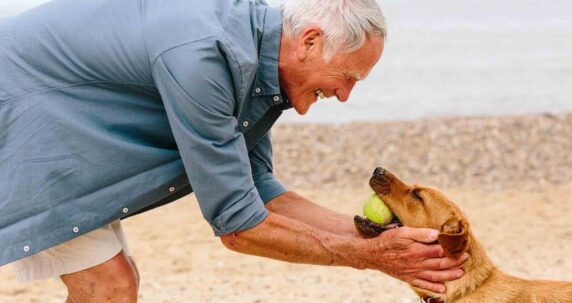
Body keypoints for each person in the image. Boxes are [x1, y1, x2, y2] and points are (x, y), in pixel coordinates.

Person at [0, 0, 467, 302]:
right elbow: (239, 227)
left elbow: (259, 192)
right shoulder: (206, 56)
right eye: (348, 77)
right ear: (309, 42)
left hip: (65, 127)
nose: (345, 96)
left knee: (114, 286)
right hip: (26, 115)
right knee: (110, 286)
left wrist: (372, 236)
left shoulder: (258, 59)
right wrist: (371, 257)